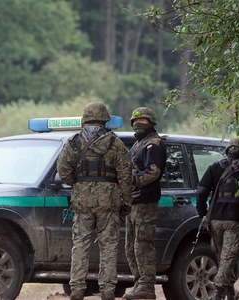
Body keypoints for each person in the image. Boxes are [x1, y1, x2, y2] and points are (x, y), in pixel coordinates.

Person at [56, 102, 132, 300]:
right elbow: (125, 174)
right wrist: (126, 200)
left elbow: (63, 171)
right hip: (108, 202)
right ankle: (107, 290)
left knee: (80, 244)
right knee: (108, 245)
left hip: (83, 202)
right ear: (105, 119)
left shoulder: (73, 143)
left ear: (85, 120)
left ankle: (77, 289)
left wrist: (79, 184)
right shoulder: (115, 143)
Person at [196, 139, 239, 300]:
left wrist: (203, 214)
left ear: (227, 150)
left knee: (225, 257)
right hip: (236, 220)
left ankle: (229, 292)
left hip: (215, 220)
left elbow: (201, 193)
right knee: (228, 257)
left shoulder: (214, 167)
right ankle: (219, 291)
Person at [122, 107, 166, 300]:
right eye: (135, 121)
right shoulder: (139, 144)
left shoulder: (153, 144)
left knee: (143, 246)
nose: (138, 124)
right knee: (130, 247)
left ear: (151, 123)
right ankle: (139, 283)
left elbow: (152, 173)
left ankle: (147, 286)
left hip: (145, 203)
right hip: (134, 203)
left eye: (143, 121)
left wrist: (131, 181)